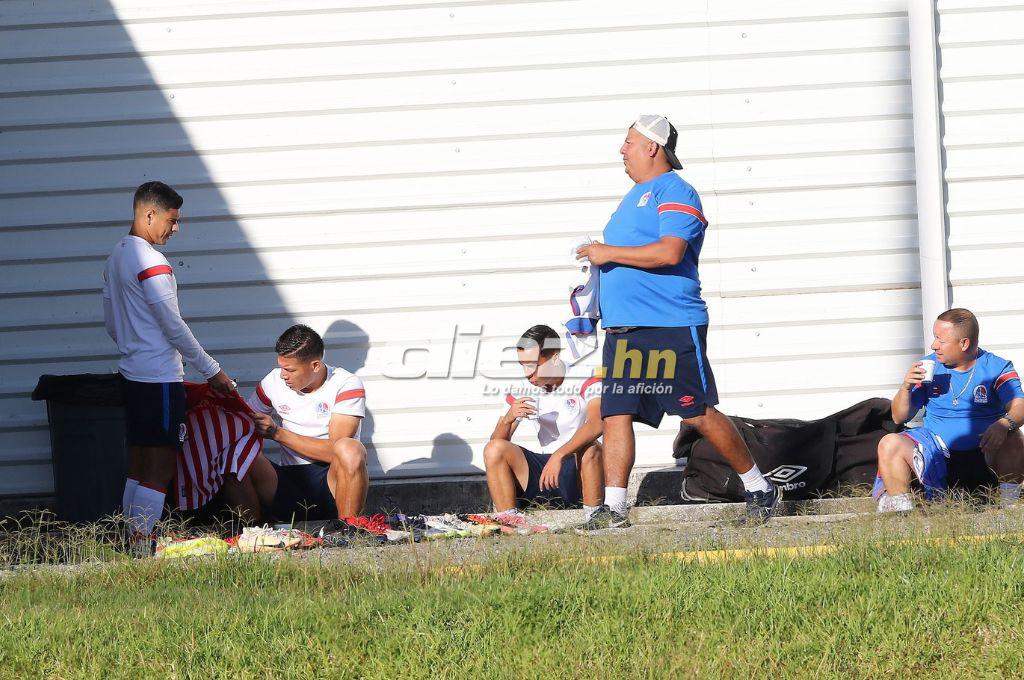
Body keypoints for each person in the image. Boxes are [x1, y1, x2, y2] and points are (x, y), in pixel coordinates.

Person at [576, 115, 780, 529]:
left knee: (696, 413)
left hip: (667, 323)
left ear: (652, 146)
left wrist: (606, 252)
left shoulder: (675, 190)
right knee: (615, 414)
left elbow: (669, 252)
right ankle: (614, 510)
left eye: (628, 142)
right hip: (623, 329)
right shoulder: (632, 197)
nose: (622, 150)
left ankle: (760, 487)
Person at [102, 181, 234, 547]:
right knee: (158, 469)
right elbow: (173, 325)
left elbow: (111, 321)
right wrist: (212, 371)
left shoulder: (116, 256)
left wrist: (133, 346)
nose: (175, 229)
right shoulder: (151, 261)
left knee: (139, 466)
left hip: (131, 373)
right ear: (149, 214)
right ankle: (143, 549)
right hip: (158, 378)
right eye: (172, 221)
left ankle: (131, 543)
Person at [874, 308, 1024, 511]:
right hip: (936, 455)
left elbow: (1019, 406)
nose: (934, 345)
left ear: (964, 343)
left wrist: (1005, 423)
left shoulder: (996, 368)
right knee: (889, 443)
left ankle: (1009, 509)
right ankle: (903, 517)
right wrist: (906, 387)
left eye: (940, 340)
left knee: (1014, 436)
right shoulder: (929, 366)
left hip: (984, 455)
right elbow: (899, 417)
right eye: (935, 338)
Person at [235, 324, 369, 521]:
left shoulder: (346, 384)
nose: (283, 375)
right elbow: (244, 424)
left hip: (331, 482)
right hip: (286, 480)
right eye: (281, 367)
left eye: (290, 369)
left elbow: (336, 450)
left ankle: (349, 529)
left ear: (315, 365)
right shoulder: (272, 381)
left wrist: (277, 434)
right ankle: (251, 532)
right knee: (234, 450)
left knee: (350, 449)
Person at [483, 325, 604, 529]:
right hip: (540, 471)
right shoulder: (522, 387)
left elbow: (597, 423)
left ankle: (595, 519)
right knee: (494, 449)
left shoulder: (586, 376)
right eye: (522, 365)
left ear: (554, 358)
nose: (527, 373)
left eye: (532, 365)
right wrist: (509, 418)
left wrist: (559, 455)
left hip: (575, 466)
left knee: (591, 448)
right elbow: (496, 442)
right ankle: (510, 523)